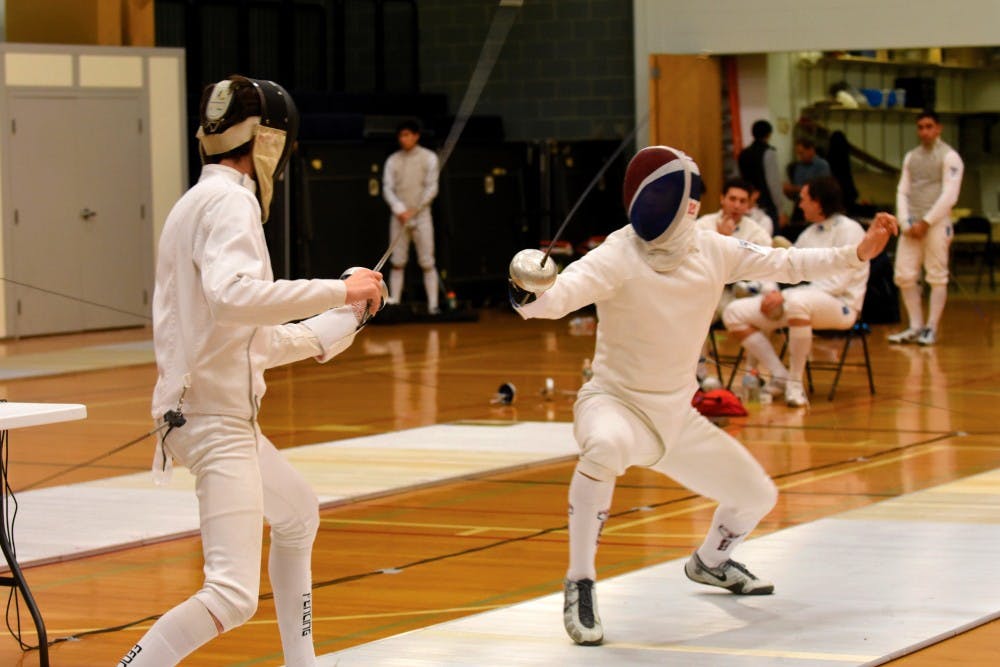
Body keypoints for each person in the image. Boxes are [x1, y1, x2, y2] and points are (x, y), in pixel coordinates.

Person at [509, 147, 897, 646]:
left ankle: (710, 562)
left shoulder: (712, 249)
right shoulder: (618, 252)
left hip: (676, 416)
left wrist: (856, 253)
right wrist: (527, 290)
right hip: (615, 403)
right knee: (603, 448)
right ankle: (580, 581)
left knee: (757, 496)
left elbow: (787, 261)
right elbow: (557, 298)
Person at [118, 76, 384, 667]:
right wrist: (339, 287)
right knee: (232, 595)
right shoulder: (231, 201)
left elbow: (250, 341)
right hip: (214, 420)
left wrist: (347, 315)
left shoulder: (196, 201)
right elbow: (235, 297)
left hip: (213, 411)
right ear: (268, 144)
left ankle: (302, 663)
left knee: (298, 513)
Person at [723, 177, 869, 408]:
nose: (799, 205)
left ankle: (795, 383)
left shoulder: (850, 230)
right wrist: (770, 291)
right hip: (799, 302)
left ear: (818, 202)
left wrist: (785, 296)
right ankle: (779, 375)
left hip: (841, 305)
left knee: (798, 301)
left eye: (803, 199)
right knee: (734, 312)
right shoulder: (808, 234)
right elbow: (784, 267)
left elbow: (837, 283)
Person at [887, 111, 964, 346]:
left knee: (936, 276)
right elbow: (903, 190)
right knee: (904, 275)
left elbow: (950, 195)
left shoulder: (950, 157)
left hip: (937, 225)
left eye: (929, 126)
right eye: (920, 127)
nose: (924, 131)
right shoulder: (911, 157)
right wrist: (905, 221)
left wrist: (927, 221)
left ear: (938, 128)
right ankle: (915, 326)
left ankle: (931, 328)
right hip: (912, 226)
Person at [382, 117, 441, 314]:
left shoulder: (429, 158)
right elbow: (387, 188)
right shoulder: (393, 160)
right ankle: (395, 301)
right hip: (399, 218)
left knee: (427, 261)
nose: (403, 139)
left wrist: (416, 209)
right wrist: (400, 210)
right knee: (397, 261)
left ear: (416, 136)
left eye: (407, 135)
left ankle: (433, 304)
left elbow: (431, 188)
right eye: (401, 135)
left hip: (422, 216)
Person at [782, 138, 832, 238]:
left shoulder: (822, 165)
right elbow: (796, 191)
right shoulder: (798, 166)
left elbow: (821, 188)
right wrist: (788, 191)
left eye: (802, 153)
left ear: (811, 150)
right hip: (800, 205)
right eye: (798, 154)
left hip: (816, 206)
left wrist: (794, 189)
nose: (800, 156)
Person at [738, 119, 783, 226]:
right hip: (766, 204)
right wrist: (780, 209)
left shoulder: (743, 154)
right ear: (768, 134)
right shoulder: (769, 152)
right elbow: (773, 183)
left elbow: (740, 178)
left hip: (747, 202)